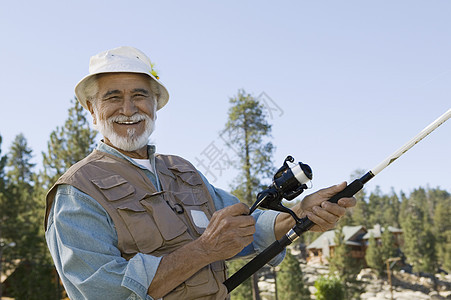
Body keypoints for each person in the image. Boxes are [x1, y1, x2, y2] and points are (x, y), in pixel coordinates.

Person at [45, 46, 356, 300]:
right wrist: (204, 250)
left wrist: (300, 213)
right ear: (90, 108)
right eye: (113, 97)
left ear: (156, 105)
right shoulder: (77, 191)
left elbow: (245, 225)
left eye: (139, 95)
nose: (128, 109)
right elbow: (104, 292)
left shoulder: (182, 171)